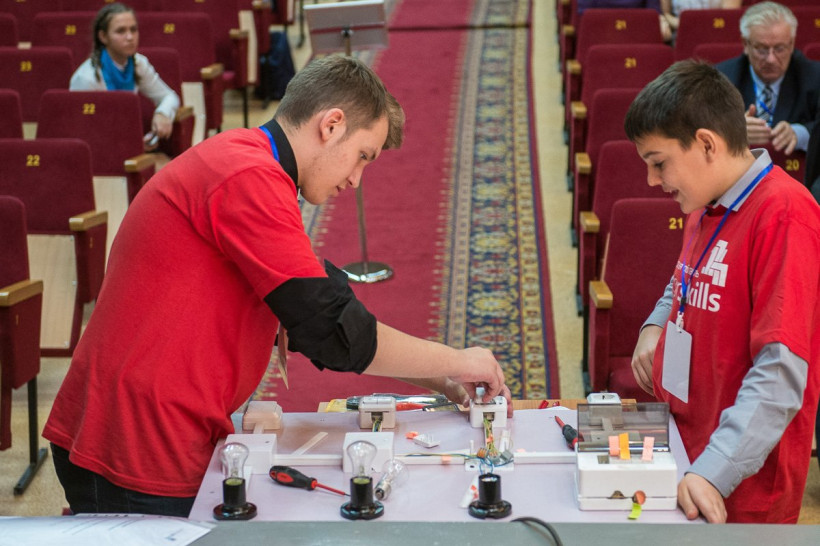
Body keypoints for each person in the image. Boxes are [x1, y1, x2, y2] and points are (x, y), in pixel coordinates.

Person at [43, 54, 513, 517]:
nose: (355, 179)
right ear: (331, 125)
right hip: (136, 444)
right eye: (362, 157)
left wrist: (441, 379)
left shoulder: (250, 162)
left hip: (141, 428)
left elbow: (319, 302)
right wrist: (462, 361)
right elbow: (329, 328)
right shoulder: (249, 175)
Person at [625, 59, 820, 523]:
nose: (652, 181)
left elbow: (779, 373)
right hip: (688, 445)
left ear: (707, 144)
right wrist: (655, 325)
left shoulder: (785, 215)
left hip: (738, 482)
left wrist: (713, 472)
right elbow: (684, 277)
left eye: (659, 163)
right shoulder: (707, 200)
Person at [69, 2, 179, 151]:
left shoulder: (139, 63)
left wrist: (162, 113)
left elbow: (170, 96)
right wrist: (130, 143)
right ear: (103, 36)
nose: (130, 37)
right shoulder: (86, 78)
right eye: (121, 31)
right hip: (96, 151)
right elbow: (84, 130)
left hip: (127, 147)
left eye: (133, 29)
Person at [715, 1, 820, 154]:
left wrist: (801, 133)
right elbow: (699, 129)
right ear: (745, 44)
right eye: (762, 49)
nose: (771, 59)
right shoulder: (721, 79)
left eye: (779, 48)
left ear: (791, 44)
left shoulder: (815, 76)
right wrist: (733, 132)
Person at [659, 0, 742, 38]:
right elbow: (666, 14)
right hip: (681, 31)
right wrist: (680, 23)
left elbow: (727, 19)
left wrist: (695, 25)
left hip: (715, 33)